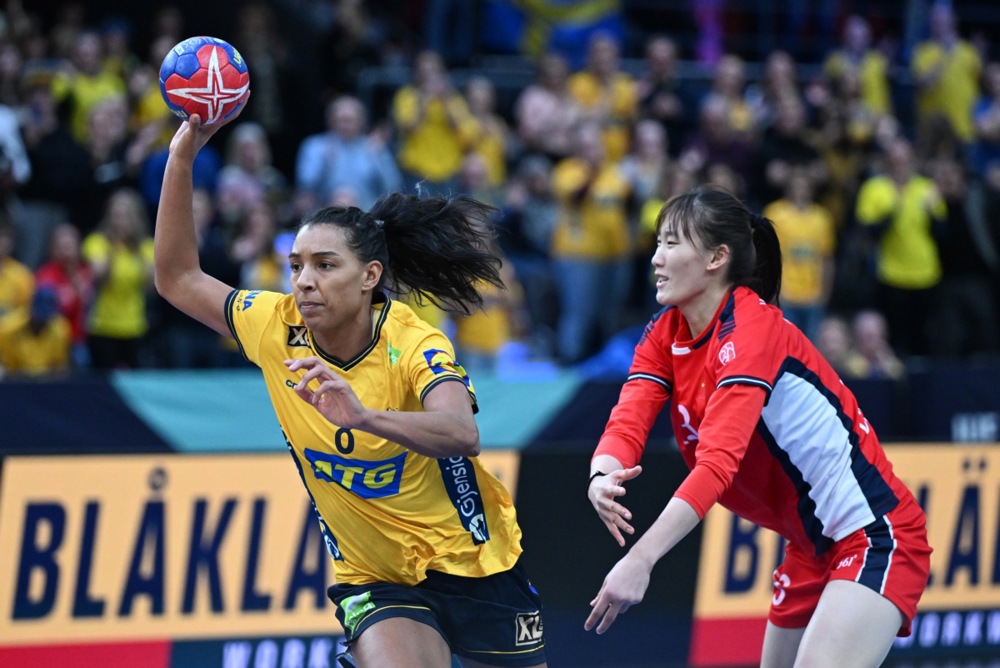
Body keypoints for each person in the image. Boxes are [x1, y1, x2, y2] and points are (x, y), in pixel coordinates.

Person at [153, 106, 547, 668]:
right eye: (295, 266)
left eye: (324, 264)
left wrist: (362, 416)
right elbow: (177, 278)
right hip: (375, 577)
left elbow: (462, 433)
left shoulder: (414, 342)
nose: (304, 281)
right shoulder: (275, 324)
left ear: (370, 277)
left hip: (474, 562)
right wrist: (182, 157)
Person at [584, 186, 931, 667]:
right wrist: (602, 475)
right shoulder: (665, 331)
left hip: (872, 534)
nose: (656, 260)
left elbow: (717, 464)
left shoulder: (752, 329)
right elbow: (628, 419)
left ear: (715, 258)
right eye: (657, 244)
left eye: (671, 244)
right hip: (810, 546)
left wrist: (641, 558)